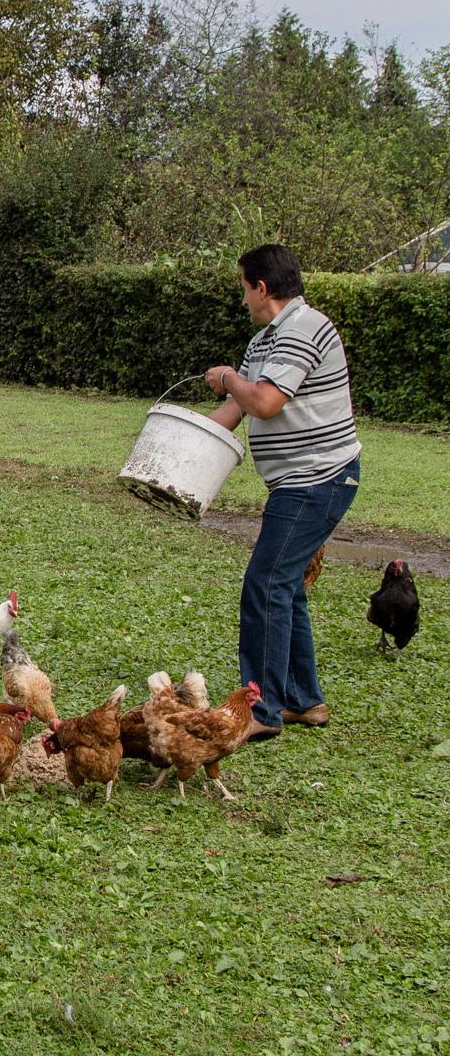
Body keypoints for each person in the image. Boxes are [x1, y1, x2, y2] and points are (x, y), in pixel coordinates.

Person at [205, 244, 361, 743]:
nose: (244, 299)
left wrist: (226, 376)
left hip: (319, 478)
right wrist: (174, 441)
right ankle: (302, 700)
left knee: (266, 584)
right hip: (299, 482)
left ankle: (263, 710)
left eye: (244, 288)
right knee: (286, 586)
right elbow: (236, 411)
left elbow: (266, 402)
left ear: (262, 287)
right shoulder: (264, 342)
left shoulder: (304, 328)